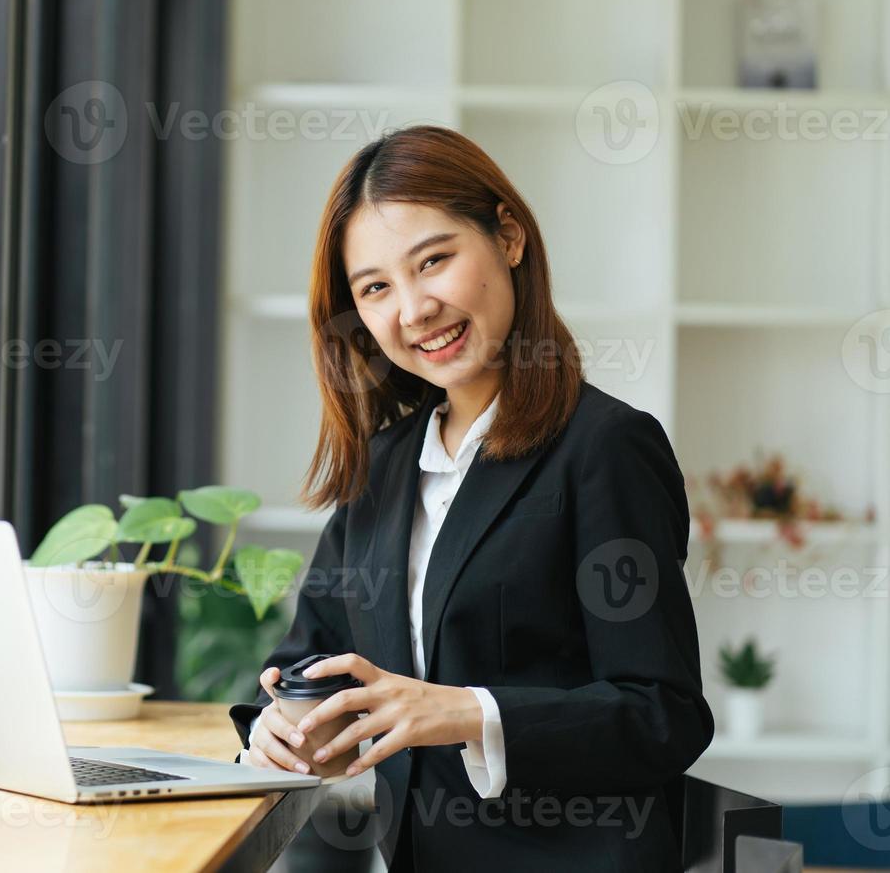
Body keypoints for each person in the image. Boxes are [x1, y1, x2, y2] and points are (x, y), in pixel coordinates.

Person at [229, 125, 713, 871]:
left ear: (509, 237)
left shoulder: (604, 447)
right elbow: (307, 662)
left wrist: (466, 711)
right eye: (376, 287)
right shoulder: (383, 468)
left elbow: (663, 713)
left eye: (435, 261)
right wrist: (282, 724)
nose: (414, 308)